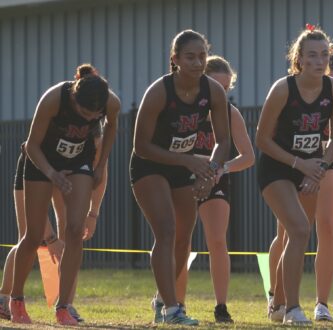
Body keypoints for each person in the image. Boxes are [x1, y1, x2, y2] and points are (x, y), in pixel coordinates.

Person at [131, 29, 230, 325]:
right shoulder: (160, 91)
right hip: (150, 164)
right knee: (166, 229)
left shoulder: (213, 90)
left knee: (184, 237)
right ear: (175, 59)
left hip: (183, 167)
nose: (198, 62)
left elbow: (223, 142)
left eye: (202, 56)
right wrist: (188, 160)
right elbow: (141, 145)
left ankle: (162, 299)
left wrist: (210, 173)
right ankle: (174, 309)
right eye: (190, 57)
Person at [9, 64, 120, 325]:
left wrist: (101, 164)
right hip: (41, 160)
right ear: (74, 99)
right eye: (84, 112)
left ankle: (64, 306)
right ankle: (16, 300)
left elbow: (112, 127)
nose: (91, 118)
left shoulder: (110, 103)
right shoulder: (53, 99)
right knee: (34, 235)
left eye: (96, 115)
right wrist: (51, 173)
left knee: (74, 230)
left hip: (78, 160)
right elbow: (32, 146)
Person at [265, 43, 333, 322]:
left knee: (327, 225)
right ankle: (277, 297)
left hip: (328, 160)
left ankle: (321, 302)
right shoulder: (294, 90)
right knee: (290, 230)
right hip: (293, 161)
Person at [149, 55, 254, 324]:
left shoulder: (229, 113)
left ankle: (221, 306)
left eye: (226, 88)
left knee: (217, 240)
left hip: (214, 178)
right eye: (215, 85)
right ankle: (174, 302)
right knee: (179, 240)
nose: (220, 92)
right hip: (181, 177)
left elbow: (248, 156)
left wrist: (222, 169)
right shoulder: (182, 107)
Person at [256, 24, 333, 325]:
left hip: (312, 170)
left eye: (324, 55)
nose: (319, 62)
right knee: (299, 230)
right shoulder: (283, 89)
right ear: (299, 59)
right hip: (278, 167)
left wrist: (318, 169)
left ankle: (278, 305)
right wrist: (299, 164)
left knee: (292, 235)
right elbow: (262, 139)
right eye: (312, 56)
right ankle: (293, 308)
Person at [0, 134, 107, 322]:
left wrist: (93, 213)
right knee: (29, 238)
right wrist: (50, 239)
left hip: (67, 169)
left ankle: (66, 305)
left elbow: (101, 173)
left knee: (71, 234)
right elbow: (37, 211)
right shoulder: (49, 135)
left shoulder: (96, 142)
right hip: (35, 167)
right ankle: (4, 298)